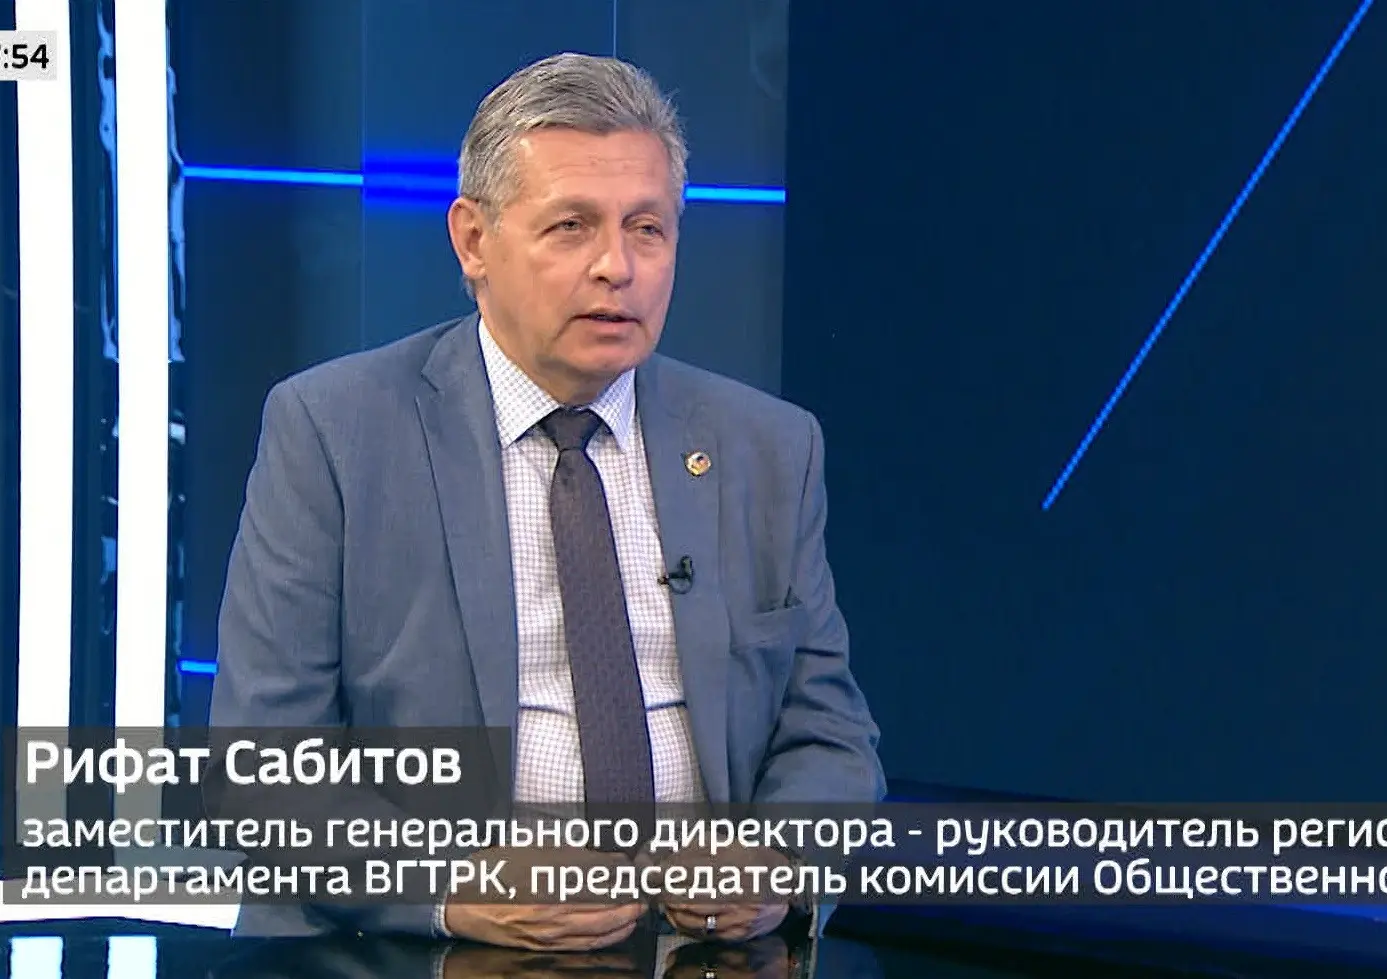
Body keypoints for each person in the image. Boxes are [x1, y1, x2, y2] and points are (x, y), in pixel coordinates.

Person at [209, 52, 885, 950]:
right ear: (472, 240)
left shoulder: (767, 446)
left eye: (647, 229)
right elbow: (264, 766)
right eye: (571, 226)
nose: (616, 266)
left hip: (699, 950)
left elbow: (830, 734)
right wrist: (455, 888)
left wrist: (778, 860)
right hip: (427, 948)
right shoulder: (333, 429)